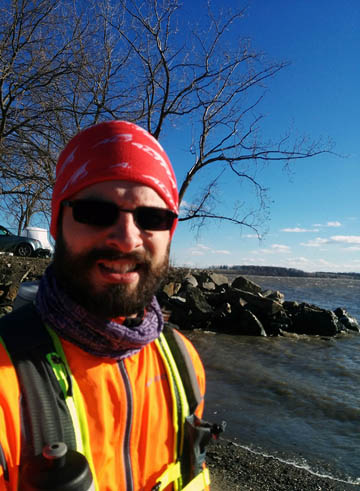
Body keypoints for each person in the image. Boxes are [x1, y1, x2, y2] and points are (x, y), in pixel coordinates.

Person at [0, 121, 210, 490]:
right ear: (57, 224)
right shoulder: (6, 381)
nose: (127, 238)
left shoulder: (184, 364)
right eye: (96, 212)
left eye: (152, 218)